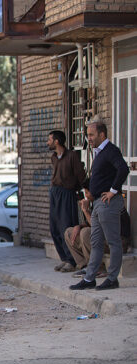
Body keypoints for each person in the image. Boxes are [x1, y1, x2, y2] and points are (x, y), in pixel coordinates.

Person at [70, 121, 129, 291]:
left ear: (102, 135)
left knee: (113, 241)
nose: (88, 138)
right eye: (87, 135)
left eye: (91, 135)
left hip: (108, 202)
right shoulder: (99, 153)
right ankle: (90, 279)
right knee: (95, 242)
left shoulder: (110, 150)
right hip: (97, 203)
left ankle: (112, 279)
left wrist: (112, 191)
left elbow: (123, 169)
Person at [47, 130, 86, 273]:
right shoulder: (54, 157)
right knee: (54, 227)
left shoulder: (72, 156)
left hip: (67, 194)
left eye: (50, 140)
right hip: (55, 193)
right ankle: (64, 258)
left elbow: (80, 176)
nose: (48, 142)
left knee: (66, 226)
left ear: (57, 141)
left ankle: (71, 260)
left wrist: (85, 191)